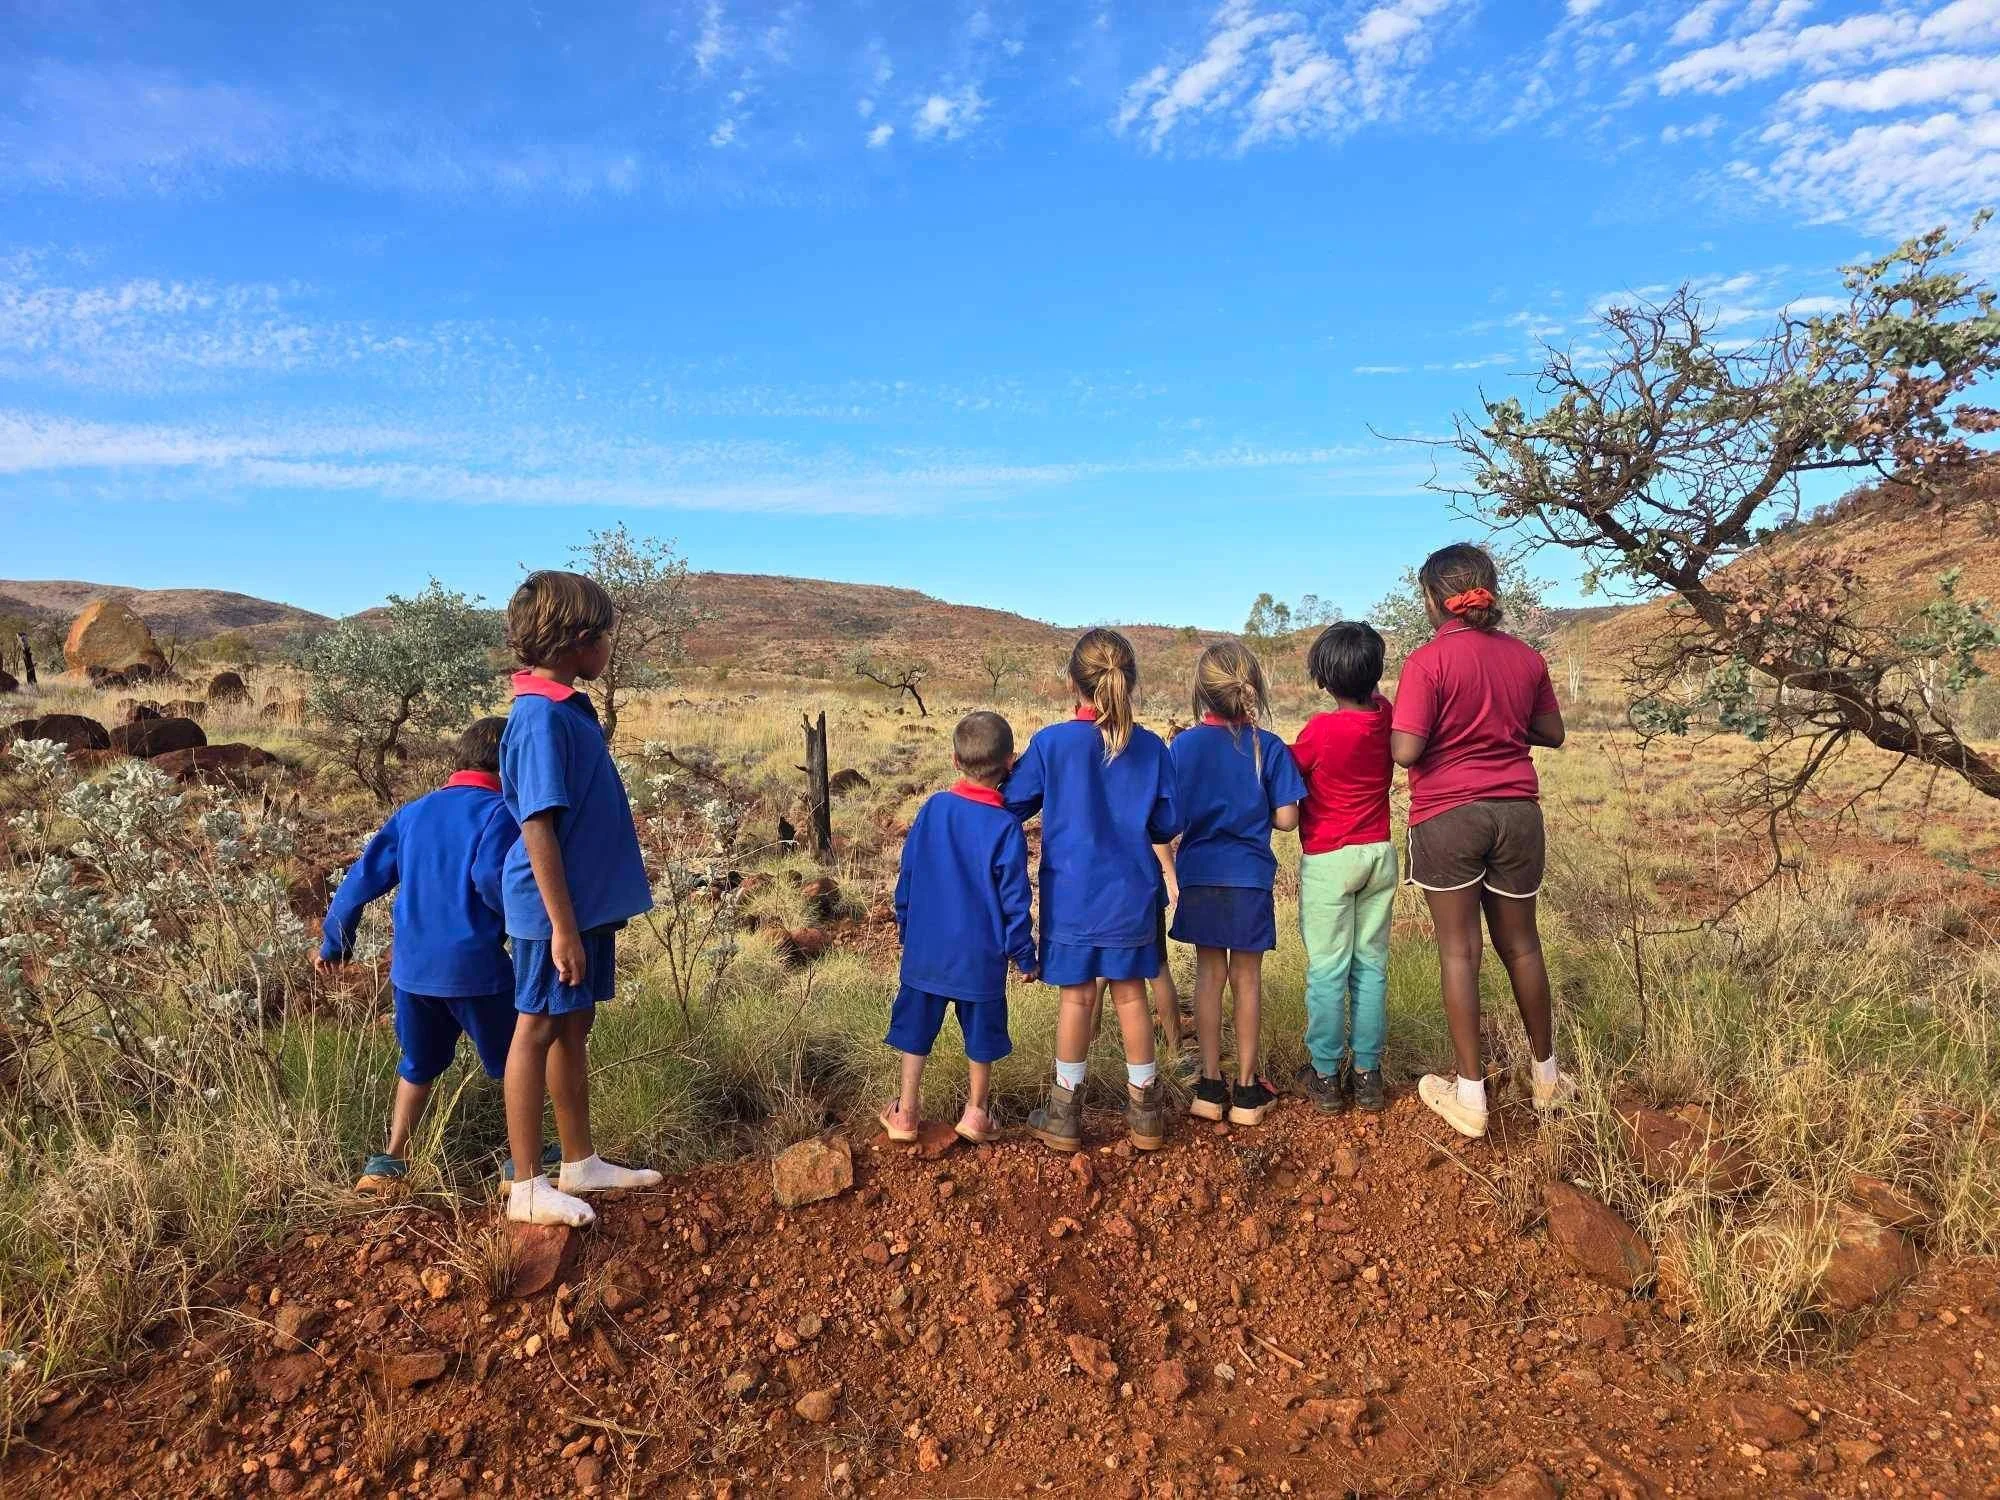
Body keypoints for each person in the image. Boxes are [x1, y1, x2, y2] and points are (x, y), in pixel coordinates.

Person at [498, 570, 662, 1226]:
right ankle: (527, 1186)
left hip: (581, 904)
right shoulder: (538, 716)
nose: (609, 649)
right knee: (535, 1028)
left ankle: (578, 1161)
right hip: (552, 909)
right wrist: (562, 928)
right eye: (606, 638)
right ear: (580, 640)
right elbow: (537, 824)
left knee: (574, 1024)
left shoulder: (564, 708)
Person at [1390, 544, 1570, 1139]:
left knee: (1459, 952)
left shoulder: (1426, 663)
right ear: (1490, 588)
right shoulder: (1526, 658)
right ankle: (1546, 1077)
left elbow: (1407, 751)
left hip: (1448, 815)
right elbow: (1553, 732)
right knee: (1522, 945)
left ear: (1431, 599)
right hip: (1518, 812)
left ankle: (1470, 1096)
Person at [317, 717, 519, 1196]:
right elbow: (492, 877)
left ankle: (391, 1161)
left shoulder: (412, 813)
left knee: (419, 1063)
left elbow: (359, 881)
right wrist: (522, 923)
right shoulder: (502, 813)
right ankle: (522, 1164)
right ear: (511, 764)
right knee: (518, 1062)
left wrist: (335, 942)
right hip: (477, 968)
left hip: (411, 971)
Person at [1005, 628, 1184, 1152]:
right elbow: (1166, 821)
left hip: (1073, 898)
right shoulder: (1150, 747)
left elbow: (1014, 804)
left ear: (1072, 683)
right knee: (1131, 995)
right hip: (1132, 894)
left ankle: (1063, 1112)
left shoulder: (1051, 743)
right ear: (1129, 682)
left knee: (1078, 999)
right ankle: (1145, 1112)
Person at [1160, 640, 1305, 1126]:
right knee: (1247, 980)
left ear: (1201, 693)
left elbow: (1169, 819)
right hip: (1249, 879)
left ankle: (1207, 1085)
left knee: (1208, 977)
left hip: (1200, 875)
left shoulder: (1183, 747)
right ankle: (1246, 1091)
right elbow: (1287, 819)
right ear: (1252, 689)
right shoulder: (1269, 746)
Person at [879, 711, 1036, 1145]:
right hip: (980, 957)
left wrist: (906, 930)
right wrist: (1024, 955)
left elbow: (906, 877)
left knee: (916, 1030)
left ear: (954, 760)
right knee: (983, 1034)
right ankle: (976, 1112)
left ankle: (906, 1112)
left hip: (926, 951)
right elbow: (1015, 901)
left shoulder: (933, 810)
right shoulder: (1006, 826)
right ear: (1010, 761)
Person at [1290, 623, 1397, 1113]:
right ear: (1375, 672)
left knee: (1329, 969)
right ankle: (1369, 1073)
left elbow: (1289, 768)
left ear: (1325, 680)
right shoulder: (1386, 716)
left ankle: (1326, 1074)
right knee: (1370, 966)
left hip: (1330, 858)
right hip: (1378, 853)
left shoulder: (1321, 730)